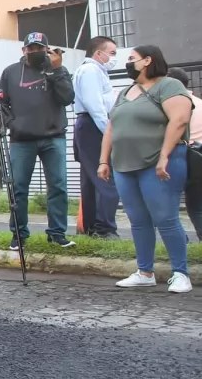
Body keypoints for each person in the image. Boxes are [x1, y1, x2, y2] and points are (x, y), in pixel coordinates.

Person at [100, 45, 193, 292]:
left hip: (159, 163)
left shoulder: (170, 85)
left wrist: (164, 156)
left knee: (166, 217)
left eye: (131, 59)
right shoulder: (125, 92)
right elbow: (111, 127)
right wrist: (103, 160)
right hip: (124, 165)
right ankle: (144, 271)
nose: (127, 63)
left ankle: (181, 273)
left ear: (148, 61)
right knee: (138, 220)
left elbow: (180, 120)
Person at [0, 32, 76, 251]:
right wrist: (12, 123)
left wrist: (56, 69)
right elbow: (0, 104)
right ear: (24, 50)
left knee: (58, 186)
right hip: (21, 140)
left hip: (53, 137)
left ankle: (57, 233)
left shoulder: (58, 69)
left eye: (40, 48)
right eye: (31, 48)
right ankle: (19, 234)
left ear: (47, 49)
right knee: (18, 188)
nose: (35, 52)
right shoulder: (11, 72)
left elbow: (68, 97)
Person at [73, 36, 120, 239]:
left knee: (91, 179)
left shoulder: (95, 71)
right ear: (98, 53)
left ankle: (92, 226)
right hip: (94, 125)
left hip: (89, 125)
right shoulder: (91, 71)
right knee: (105, 176)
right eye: (112, 53)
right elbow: (96, 107)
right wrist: (108, 133)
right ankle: (105, 229)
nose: (114, 58)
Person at [166, 67, 202, 242]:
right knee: (197, 206)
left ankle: (180, 241)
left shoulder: (170, 104)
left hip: (176, 156)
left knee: (168, 204)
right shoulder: (199, 102)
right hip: (199, 158)